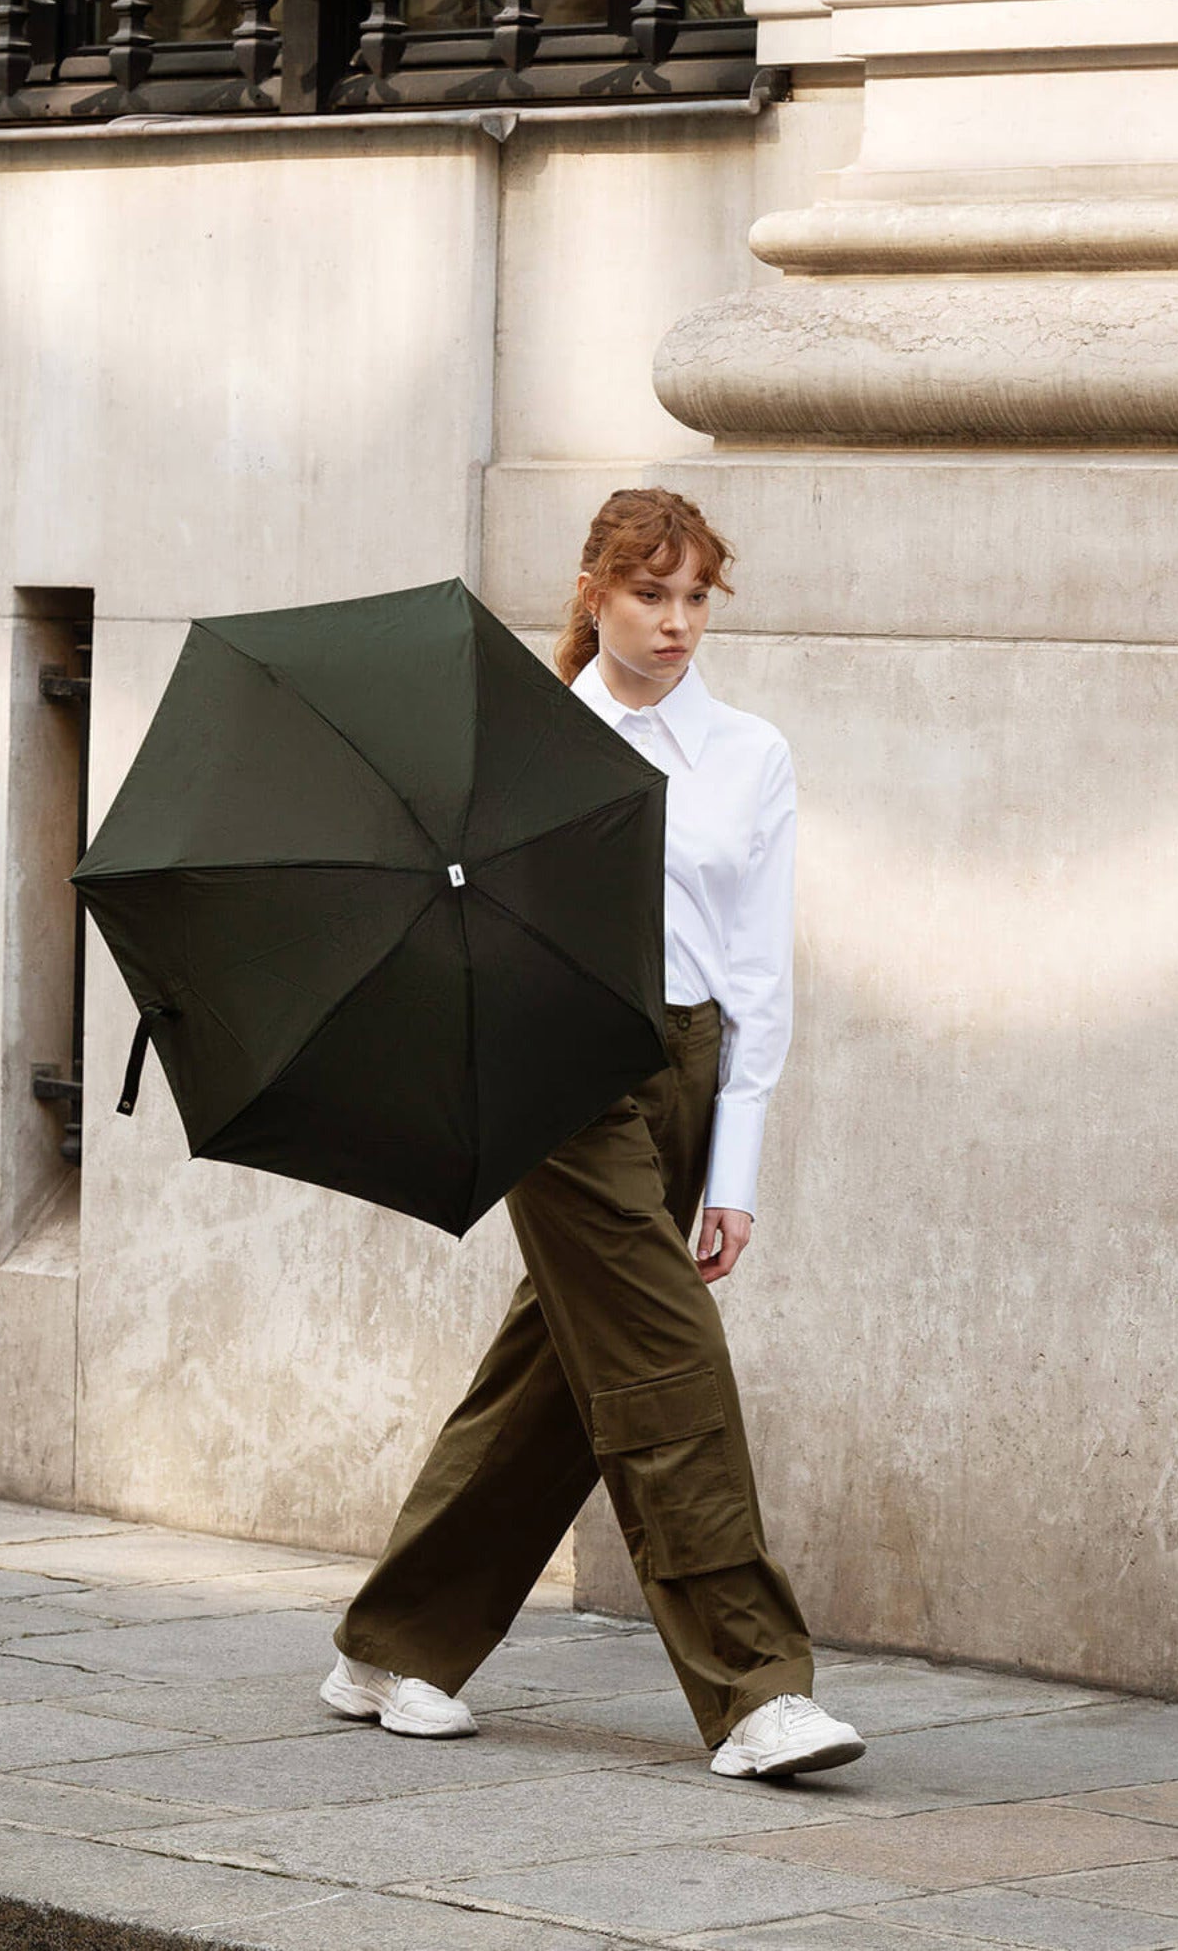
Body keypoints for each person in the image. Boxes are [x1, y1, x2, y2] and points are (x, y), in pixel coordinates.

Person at [320, 487, 865, 1781]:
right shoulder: (528, 747)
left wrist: (736, 1164)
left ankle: (388, 1641)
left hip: (687, 1068)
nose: (676, 624)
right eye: (649, 595)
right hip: (558, 1067)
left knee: (561, 1375)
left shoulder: (751, 754)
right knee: (665, 1359)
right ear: (593, 593)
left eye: (693, 599)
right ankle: (754, 1691)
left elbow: (758, 977)